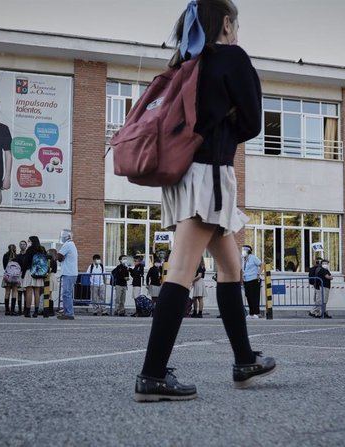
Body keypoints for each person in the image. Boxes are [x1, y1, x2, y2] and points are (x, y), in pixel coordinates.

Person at [135, 0, 274, 403]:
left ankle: (245, 360)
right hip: (208, 174)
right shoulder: (231, 58)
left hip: (183, 174)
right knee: (181, 271)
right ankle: (152, 374)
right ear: (227, 23)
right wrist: (230, 115)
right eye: (236, 25)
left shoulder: (185, 63)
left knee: (231, 267)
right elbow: (252, 122)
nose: (237, 32)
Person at [20, 236, 46, 318]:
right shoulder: (41, 249)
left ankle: (27, 311)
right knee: (37, 292)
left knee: (29, 291)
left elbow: (25, 262)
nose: (28, 242)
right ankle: (36, 312)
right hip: (39, 273)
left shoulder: (30, 250)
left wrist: (23, 273)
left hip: (30, 272)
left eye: (29, 241)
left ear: (32, 241)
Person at [55, 230, 78, 320]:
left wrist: (58, 256)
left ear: (67, 236)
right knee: (67, 293)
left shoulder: (67, 244)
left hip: (68, 273)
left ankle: (69, 313)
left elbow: (59, 257)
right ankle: (67, 312)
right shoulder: (72, 244)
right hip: (72, 273)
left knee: (66, 294)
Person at [242, 245, 262, 319]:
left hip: (254, 279)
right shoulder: (243, 259)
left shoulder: (253, 257)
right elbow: (242, 270)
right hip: (246, 280)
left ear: (248, 250)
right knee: (248, 296)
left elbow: (261, 264)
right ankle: (251, 313)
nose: (242, 251)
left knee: (254, 297)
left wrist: (258, 273)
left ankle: (256, 312)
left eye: (244, 250)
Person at [2, 244, 20, 316]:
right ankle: (12, 310)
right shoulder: (17, 256)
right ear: (15, 249)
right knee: (14, 292)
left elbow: (4, 266)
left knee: (7, 292)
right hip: (15, 277)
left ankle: (7, 310)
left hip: (7, 277)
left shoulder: (5, 255)